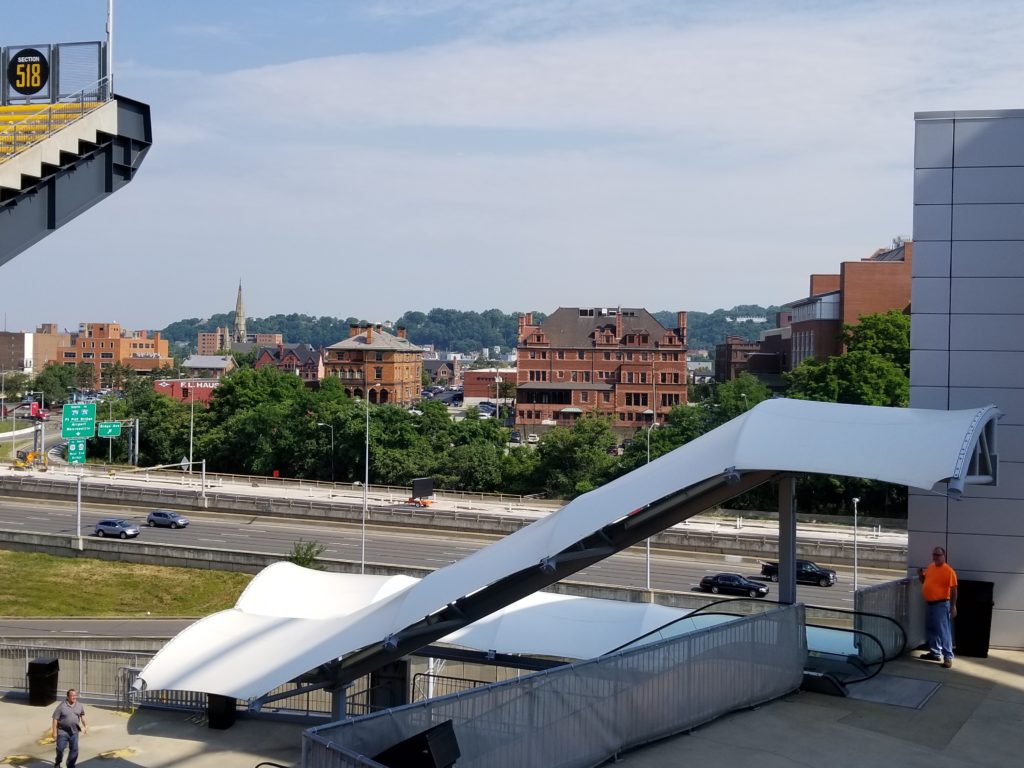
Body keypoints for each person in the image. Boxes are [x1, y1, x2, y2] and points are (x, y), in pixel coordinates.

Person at [918, 546, 958, 668]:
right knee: (931, 629)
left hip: (941, 604)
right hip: (930, 603)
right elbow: (924, 581)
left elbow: (954, 589)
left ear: (943, 556)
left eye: (938, 555)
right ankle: (935, 653)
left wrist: (953, 606)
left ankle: (948, 657)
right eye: (934, 554)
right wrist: (920, 574)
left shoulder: (948, 571)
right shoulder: (931, 567)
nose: (935, 557)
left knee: (943, 631)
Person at [51, 688, 87, 768]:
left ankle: (70, 765)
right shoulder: (62, 706)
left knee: (74, 750)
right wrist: (54, 732)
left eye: (75, 695)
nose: (74, 697)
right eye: (72, 695)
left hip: (74, 732)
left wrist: (85, 725)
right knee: (60, 749)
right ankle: (58, 762)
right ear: (67, 697)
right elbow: (55, 718)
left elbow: (82, 715)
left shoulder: (79, 705)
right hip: (62, 732)